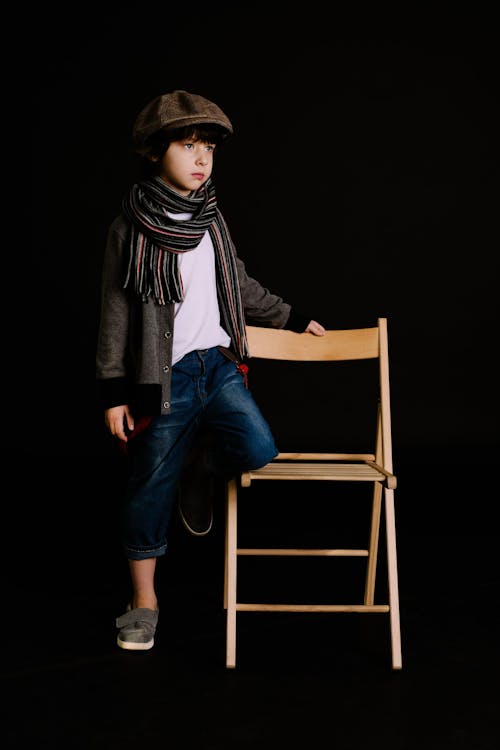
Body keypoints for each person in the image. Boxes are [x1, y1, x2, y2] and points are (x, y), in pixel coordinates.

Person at [96, 89, 325, 651]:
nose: (201, 159)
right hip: (164, 378)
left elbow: (238, 285)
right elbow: (115, 311)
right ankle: (144, 601)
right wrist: (112, 391)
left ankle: (202, 466)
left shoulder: (212, 217)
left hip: (217, 367)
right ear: (155, 152)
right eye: (188, 145)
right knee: (149, 484)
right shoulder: (130, 227)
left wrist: (293, 317)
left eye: (209, 149)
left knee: (257, 447)